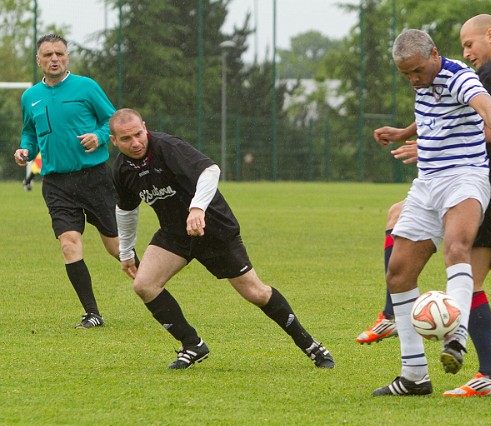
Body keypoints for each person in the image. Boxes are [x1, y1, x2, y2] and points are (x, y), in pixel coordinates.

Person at [362, 16, 491, 398]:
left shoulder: (470, 73)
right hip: (432, 184)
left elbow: (484, 104)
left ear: (434, 55)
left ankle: (458, 338)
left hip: (469, 177)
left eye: (416, 70)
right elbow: (437, 113)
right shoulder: (429, 80)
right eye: (405, 74)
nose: (412, 79)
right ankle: (413, 373)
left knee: (457, 251)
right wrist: (407, 133)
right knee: (398, 271)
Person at [108, 108, 334, 370]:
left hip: (213, 229)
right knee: (144, 285)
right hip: (174, 234)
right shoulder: (122, 170)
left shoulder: (168, 148)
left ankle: (310, 345)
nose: (135, 142)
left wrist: (197, 208)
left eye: (138, 134)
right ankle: (192, 345)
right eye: (126, 139)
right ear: (114, 141)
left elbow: (210, 171)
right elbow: (126, 209)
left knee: (255, 293)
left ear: (145, 127)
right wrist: (126, 251)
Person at [14, 34, 119, 329]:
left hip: (94, 178)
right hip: (57, 183)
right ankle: (92, 313)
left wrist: (98, 136)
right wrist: (25, 150)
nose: (54, 59)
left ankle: (150, 285)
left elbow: (113, 119)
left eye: (59, 53)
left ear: (67, 57)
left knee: (115, 247)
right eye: (47, 55)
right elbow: (30, 134)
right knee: (69, 244)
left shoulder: (87, 87)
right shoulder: (30, 97)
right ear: (39, 60)